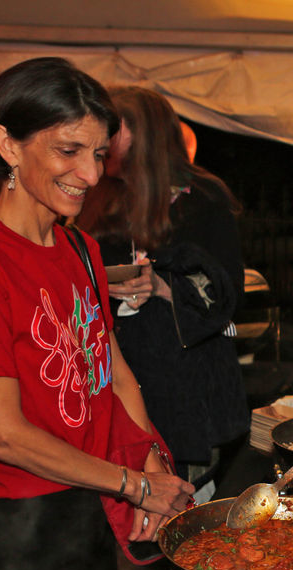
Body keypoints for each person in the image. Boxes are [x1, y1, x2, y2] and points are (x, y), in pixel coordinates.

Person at [0, 58, 194, 570]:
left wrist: (150, 462)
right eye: (69, 150)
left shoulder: (80, 247)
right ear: (8, 145)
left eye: (99, 154)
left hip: (93, 504)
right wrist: (133, 485)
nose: (89, 173)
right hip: (29, 527)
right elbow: (3, 436)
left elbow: (116, 374)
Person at [79, 86, 249, 493]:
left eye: (112, 129)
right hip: (118, 376)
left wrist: (160, 286)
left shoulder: (202, 197)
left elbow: (226, 293)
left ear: (145, 133)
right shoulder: (99, 192)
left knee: (183, 510)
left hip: (185, 387)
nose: (100, 139)